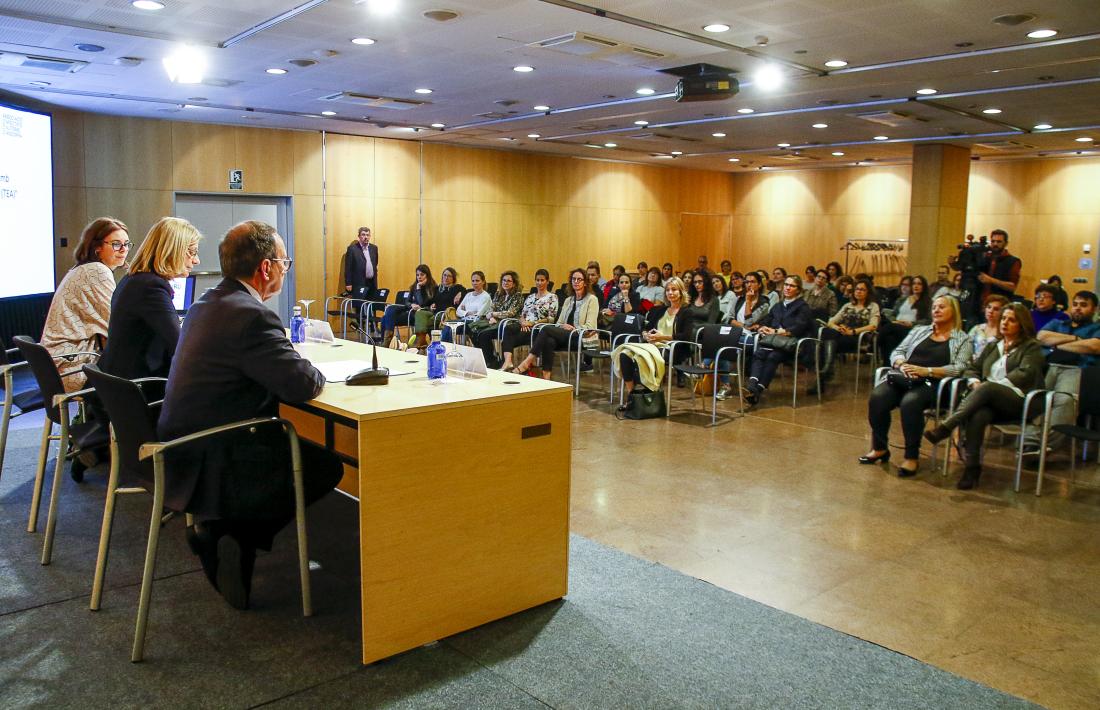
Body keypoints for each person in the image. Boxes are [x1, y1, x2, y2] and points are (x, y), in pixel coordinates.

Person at [158, 220, 342, 609]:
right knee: (326, 465)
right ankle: (235, 533)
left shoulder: (208, 302)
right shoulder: (252, 316)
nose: (284, 269)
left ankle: (224, 528)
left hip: (181, 443)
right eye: (284, 262)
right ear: (265, 268)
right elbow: (303, 384)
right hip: (216, 451)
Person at [924, 304, 1045, 490]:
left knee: (988, 387)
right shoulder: (993, 345)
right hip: (987, 399)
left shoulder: (1032, 347)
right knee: (979, 415)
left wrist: (989, 387)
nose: (1005, 323)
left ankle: (947, 426)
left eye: (1012, 320)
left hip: (1020, 400)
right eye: (1004, 318)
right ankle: (972, 468)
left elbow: (1025, 374)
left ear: (1022, 324)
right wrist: (974, 383)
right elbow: (973, 368)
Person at [862, 295, 972, 476]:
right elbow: (898, 351)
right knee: (878, 397)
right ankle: (880, 448)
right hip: (906, 377)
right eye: (934, 307)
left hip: (934, 383)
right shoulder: (920, 330)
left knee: (910, 403)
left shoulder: (962, 338)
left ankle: (911, 457)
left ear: (954, 311)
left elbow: (959, 367)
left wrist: (926, 371)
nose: (936, 310)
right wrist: (901, 364)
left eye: (942, 307)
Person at [99, 217, 202, 382]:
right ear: (173, 250)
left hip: (119, 383)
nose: (196, 260)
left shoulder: (134, 279)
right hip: (139, 388)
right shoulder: (151, 287)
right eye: (192, 252)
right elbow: (180, 347)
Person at [41, 217, 129, 392]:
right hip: (72, 368)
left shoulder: (82, 268)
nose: (123, 250)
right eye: (116, 244)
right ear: (97, 247)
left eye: (126, 244)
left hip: (55, 368)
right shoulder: (96, 271)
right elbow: (115, 324)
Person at [1023, 290, 1100, 455]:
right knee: (1037, 399)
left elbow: (1093, 346)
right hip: (1048, 367)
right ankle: (1030, 443)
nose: (1078, 308)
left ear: (1094, 309)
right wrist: (1076, 341)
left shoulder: (1096, 328)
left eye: (1084, 305)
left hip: (1077, 370)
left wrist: (1056, 344)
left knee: (1064, 401)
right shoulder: (1058, 323)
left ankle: (1044, 446)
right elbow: (1041, 336)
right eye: (1076, 304)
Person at [744, 275, 815, 406]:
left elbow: (799, 328)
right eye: (786, 285)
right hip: (774, 342)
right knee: (759, 353)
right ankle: (753, 385)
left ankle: (757, 390)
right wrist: (762, 328)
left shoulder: (803, 307)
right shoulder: (777, 306)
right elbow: (767, 320)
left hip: (792, 344)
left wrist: (777, 331)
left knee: (773, 356)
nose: (787, 288)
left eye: (791, 286)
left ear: (798, 289)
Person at [513, 268, 597, 378]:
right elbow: (558, 323)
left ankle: (527, 362)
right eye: (574, 279)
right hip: (566, 335)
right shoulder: (569, 300)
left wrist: (573, 328)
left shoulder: (592, 299)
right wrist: (564, 326)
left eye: (579, 279)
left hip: (583, 338)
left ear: (585, 282)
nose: (576, 281)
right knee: (549, 341)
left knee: (546, 329)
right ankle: (546, 377)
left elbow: (590, 327)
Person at [616, 277, 692, 396]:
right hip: (652, 345)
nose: (670, 293)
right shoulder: (659, 310)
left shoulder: (687, 312)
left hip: (673, 348)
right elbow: (645, 328)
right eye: (667, 290)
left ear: (681, 291)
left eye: (674, 289)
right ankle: (632, 396)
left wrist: (662, 337)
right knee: (625, 353)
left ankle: (648, 392)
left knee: (640, 357)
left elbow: (686, 336)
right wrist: (645, 334)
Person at [814, 277, 880, 393]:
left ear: (868, 292)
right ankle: (826, 371)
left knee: (825, 344)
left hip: (859, 338)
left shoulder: (873, 306)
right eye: (857, 289)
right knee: (826, 334)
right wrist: (838, 328)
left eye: (862, 290)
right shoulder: (848, 306)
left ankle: (823, 377)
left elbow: (873, 326)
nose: (858, 292)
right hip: (842, 337)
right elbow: (831, 322)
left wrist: (853, 331)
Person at [470, 270, 527, 368]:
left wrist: (493, 314)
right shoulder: (498, 294)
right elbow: (490, 309)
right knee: (474, 331)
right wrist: (492, 316)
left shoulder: (518, 296)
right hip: (495, 322)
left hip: (508, 324)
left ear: (514, 283)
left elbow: (510, 313)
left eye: (509, 281)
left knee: (484, 335)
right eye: (504, 280)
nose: (505, 283)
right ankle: (488, 359)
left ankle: (491, 361)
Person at [380, 264, 436, 349]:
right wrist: (411, 305)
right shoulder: (414, 286)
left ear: (427, 275)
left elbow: (422, 303)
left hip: (420, 316)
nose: (419, 277)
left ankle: (386, 343)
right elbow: (407, 302)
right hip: (410, 311)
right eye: (417, 275)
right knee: (389, 310)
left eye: (422, 275)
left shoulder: (432, 288)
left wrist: (418, 289)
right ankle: (386, 342)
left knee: (385, 318)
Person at [878, 275, 931, 361]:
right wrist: (895, 321)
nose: (916, 286)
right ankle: (888, 366)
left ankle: (875, 343)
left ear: (924, 287)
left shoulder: (928, 302)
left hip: (912, 329)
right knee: (889, 339)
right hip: (896, 327)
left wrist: (912, 323)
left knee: (889, 327)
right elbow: (893, 314)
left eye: (919, 284)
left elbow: (928, 320)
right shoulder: (902, 300)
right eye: (914, 284)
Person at [415, 266, 463, 348]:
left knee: (433, 321)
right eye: (444, 275)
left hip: (447, 314)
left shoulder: (457, 288)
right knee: (420, 313)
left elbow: (467, 292)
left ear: (453, 278)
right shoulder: (438, 289)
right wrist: (419, 288)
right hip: (436, 314)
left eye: (449, 276)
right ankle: (421, 344)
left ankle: (440, 346)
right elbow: (425, 303)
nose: (446, 277)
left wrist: (460, 293)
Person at [442, 270, 491, 343]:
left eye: (477, 281)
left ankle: (450, 349)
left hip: (475, 323)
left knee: (452, 327)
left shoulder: (486, 296)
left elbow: (479, 314)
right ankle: (444, 349)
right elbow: (458, 311)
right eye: (473, 281)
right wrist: (468, 313)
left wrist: (465, 312)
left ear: (483, 282)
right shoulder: (468, 295)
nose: (475, 283)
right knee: (448, 324)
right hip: (464, 320)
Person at [976, 228, 1021, 302]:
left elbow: (1012, 286)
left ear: (1006, 243)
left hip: (1001, 303)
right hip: (980, 302)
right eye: (993, 241)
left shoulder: (1013, 261)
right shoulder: (985, 258)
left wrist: (991, 280)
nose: (995, 244)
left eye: (999, 242)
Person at [967, 294, 1009, 363]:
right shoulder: (976, 328)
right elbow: (966, 349)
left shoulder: (1004, 332)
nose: (990, 311)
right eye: (989, 307)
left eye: (996, 309)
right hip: (971, 366)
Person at [343, 226, 378, 297]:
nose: (366, 237)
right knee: (360, 305)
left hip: (372, 282)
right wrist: (348, 283)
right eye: (363, 234)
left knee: (371, 305)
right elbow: (348, 267)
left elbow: (375, 263)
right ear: (359, 236)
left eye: (367, 235)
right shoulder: (352, 249)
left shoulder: (374, 248)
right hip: (359, 282)